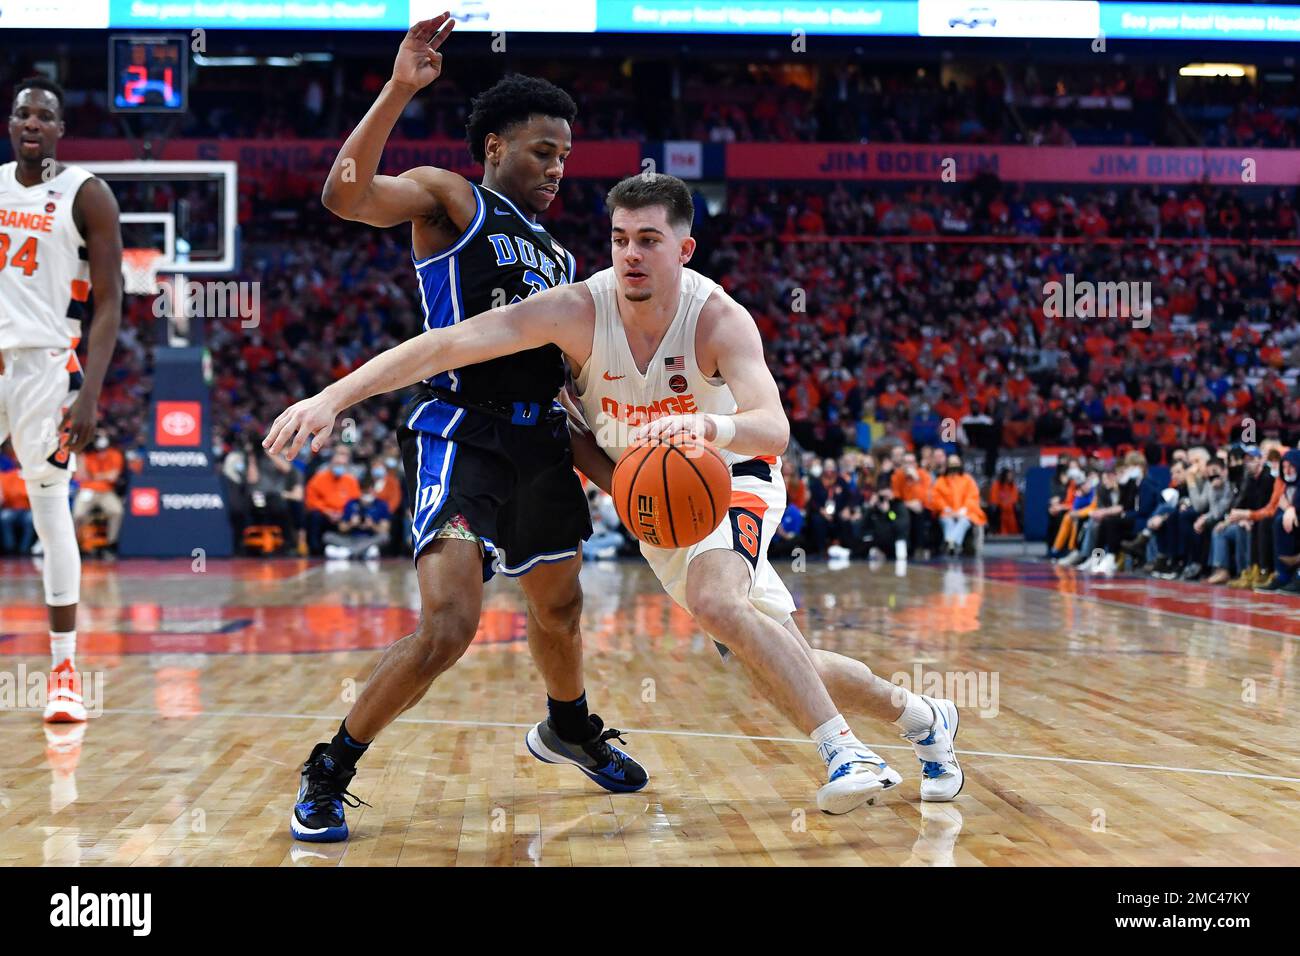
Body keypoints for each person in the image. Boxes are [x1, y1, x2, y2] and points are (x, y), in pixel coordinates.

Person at [267, 172, 964, 816]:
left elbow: (773, 428)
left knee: (720, 602)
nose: (630, 254)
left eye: (649, 241)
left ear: (684, 248)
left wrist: (706, 426)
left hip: (729, 476)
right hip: (656, 500)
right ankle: (925, 719)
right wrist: (335, 397)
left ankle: (848, 755)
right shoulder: (576, 309)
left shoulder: (718, 319)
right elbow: (444, 345)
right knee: (775, 655)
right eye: (620, 239)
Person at [275, 16, 645, 842]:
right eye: (542, 150)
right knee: (448, 627)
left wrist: (626, 480)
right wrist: (401, 86)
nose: (557, 168)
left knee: (561, 610)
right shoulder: (453, 199)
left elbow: (562, 394)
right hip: (458, 430)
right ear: (492, 148)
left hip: (540, 443)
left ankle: (570, 727)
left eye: (565, 156)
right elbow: (345, 194)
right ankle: (331, 766)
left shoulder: (556, 257)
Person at [1, 75, 123, 722]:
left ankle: (65, 671)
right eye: (22, 112)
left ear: (59, 129)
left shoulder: (87, 194)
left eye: (44, 116)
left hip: (46, 369)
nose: (31, 123)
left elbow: (111, 302)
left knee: (51, 510)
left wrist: (90, 393)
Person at [72, 430, 124, 551]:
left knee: (117, 511)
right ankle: (76, 543)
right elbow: (80, 476)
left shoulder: (114, 454)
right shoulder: (87, 455)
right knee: (78, 515)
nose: (100, 439)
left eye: (102, 436)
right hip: (87, 490)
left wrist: (94, 476)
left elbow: (113, 476)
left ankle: (111, 543)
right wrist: (81, 457)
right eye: (97, 437)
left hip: (106, 491)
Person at [304, 445, 361, 555]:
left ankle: (349, 546)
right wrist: (326, 511)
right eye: (337, 464)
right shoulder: (319, 478)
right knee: (314, 515)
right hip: (325, 514)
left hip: (343, 516)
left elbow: (355, 502)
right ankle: (315, 550)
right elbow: (311, 500)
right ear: (331, 464)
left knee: (355, 518)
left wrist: (344, 513)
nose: (339, 467)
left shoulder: (351, 480)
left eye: (342, 465)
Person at [928, 454, 986, 556]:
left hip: (966, 512)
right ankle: (954, 544)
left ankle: (950, 541)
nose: (954, 466)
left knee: (964, 522)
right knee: (947, 522)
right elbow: (936, 497)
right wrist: (946, 508)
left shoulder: (968, 479)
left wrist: (964, 509)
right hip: (947, 512)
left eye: (956, 463)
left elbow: (972, 496)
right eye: (951, 463)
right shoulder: (941, 481)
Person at [324, 475, 391, 560]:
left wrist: (372, 525)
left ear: (373, 490)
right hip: (351, 539)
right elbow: (341, 527)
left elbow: (385, 529)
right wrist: (351, 524)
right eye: (364, 492)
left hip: (369, 539)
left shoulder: (381, 505)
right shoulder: (351, 503)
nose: (366, 495)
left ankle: (349, 552)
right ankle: (362, 552)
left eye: (368, 492)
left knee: (385, 537)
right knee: (327, 536)